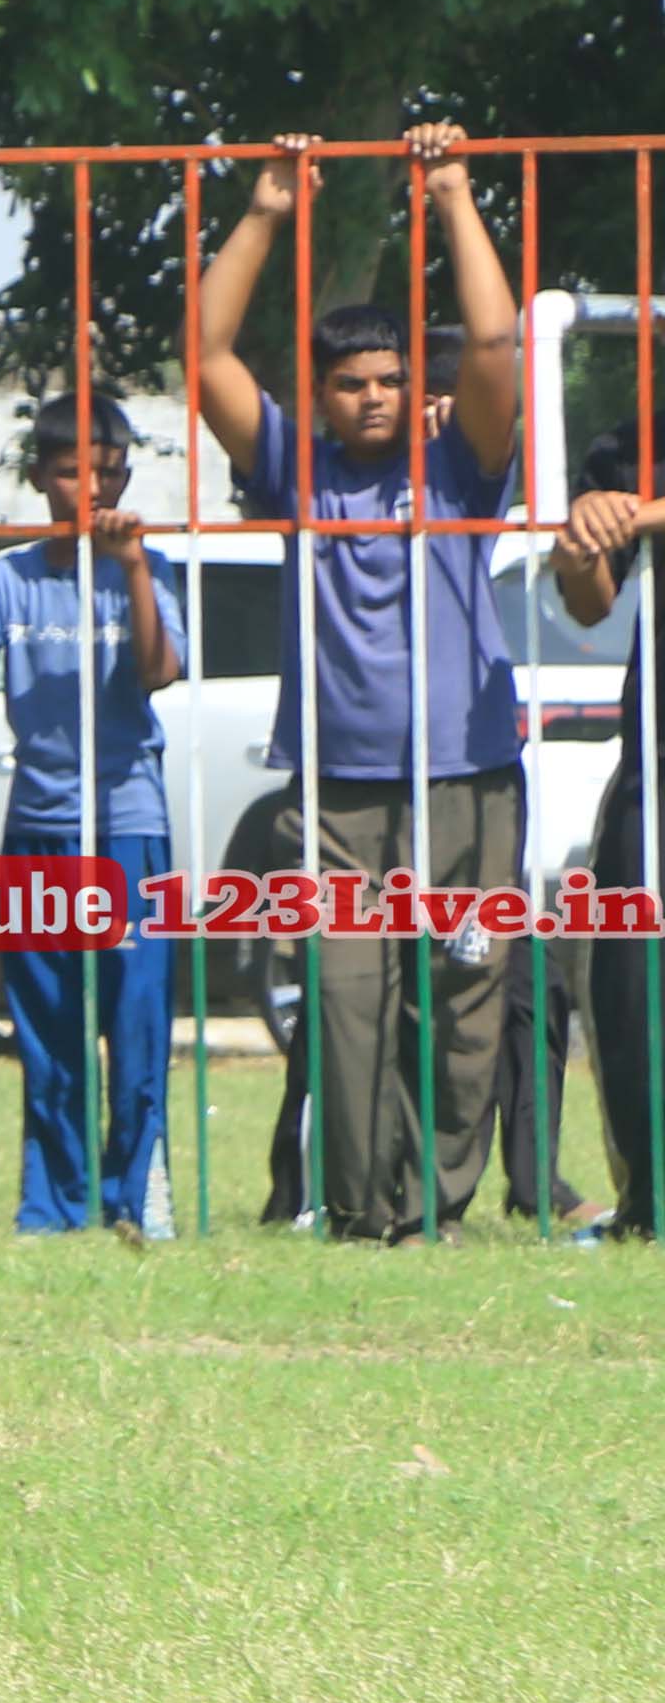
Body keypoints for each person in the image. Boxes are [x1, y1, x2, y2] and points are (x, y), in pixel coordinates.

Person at [191, 129, 531, 1242]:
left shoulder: (460, 462)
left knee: (464, 998)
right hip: (338, 788)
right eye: (351, 384)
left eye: (391, 381)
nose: (375, 399)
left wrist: (452, 194)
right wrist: (265, 211)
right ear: (321, 395)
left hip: (468, 775)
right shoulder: (296, 468)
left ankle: (435, 1207)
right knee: (345, 1001)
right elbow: (207, 355)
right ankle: (358, 1210)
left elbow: (495, 339)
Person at [0, 394, 186, 1235]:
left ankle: (138, 1191)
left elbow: (158, 673)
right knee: (48, 1021)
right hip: (39, 824)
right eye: (70, 472)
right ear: (40, 477)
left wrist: (133, 569)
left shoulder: (151, 568)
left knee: (136, 1016)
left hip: (128, 821)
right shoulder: (7, 577)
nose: (92, 489)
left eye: (109, 472)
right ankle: (53, 1203)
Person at [546, 440, 665, 1242]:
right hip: (653, 763)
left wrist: (642, 516)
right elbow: (590, 605)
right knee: (627, 989)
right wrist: (582, 542)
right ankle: (648, 1201)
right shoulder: (631, 447)